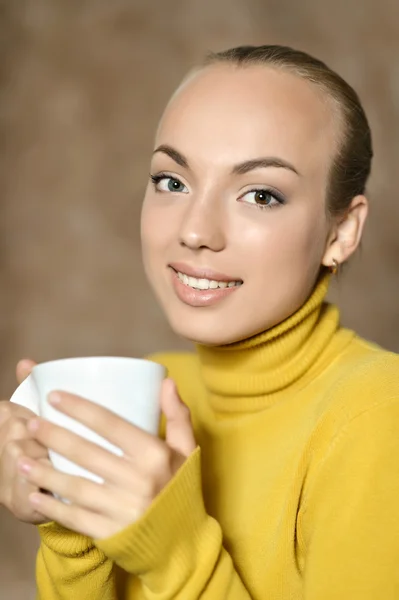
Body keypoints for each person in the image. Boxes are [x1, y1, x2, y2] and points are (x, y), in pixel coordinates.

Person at [1, 44, 398, 600]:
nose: (195, 230)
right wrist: (68, 518)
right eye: (172, 181)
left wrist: (176, 551)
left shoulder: (378, 414)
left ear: (342, 232)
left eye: (260, 194)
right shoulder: (157, 389)